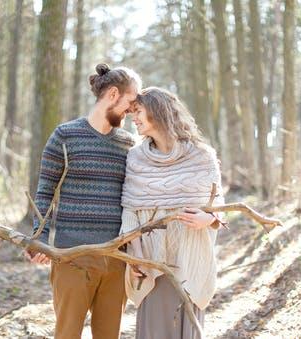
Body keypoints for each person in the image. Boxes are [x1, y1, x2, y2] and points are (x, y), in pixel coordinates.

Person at [25, 63, 142, 339]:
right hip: (71, 257)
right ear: (113, 94)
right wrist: (38, 237)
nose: (132, 110)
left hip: (115, 258)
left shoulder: (129, 144)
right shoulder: (65, 136)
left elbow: (137, 200)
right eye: (130, 102)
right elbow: (44, 192)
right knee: (67, 334)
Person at [120, 87, 224, 339]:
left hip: (189, 260)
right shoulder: (135, 158)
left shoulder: (202, 156)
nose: (133, 118)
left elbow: (219, 205)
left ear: (158, 111)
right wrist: (134, 257)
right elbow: (130, 211)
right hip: (151, 263)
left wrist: (208, 219)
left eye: (138, 111)